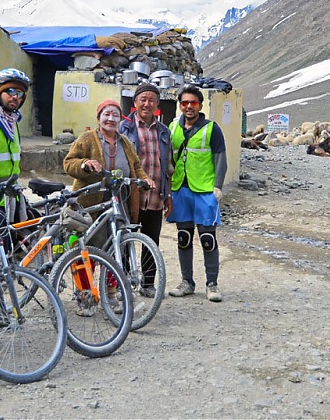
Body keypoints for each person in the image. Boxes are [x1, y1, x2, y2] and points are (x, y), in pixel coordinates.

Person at [63, 99, 155, 313]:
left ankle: (110, 294)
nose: (111, 118)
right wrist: (85, 165)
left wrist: (144, 179)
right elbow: (69, 162)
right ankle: (85, 296)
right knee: (89, 249)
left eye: (115, 115)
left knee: (115, 249)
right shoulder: (87, 139)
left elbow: (136, 167)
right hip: (90, 205)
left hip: (118, 205)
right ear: (99, 117)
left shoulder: (125, 143)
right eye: (107, 114)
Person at [166, 84, 227, 302]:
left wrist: (218, 186)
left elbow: (220, 157)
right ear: (180, 106)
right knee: (183, 237)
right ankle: (187, 282)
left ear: (200, 105)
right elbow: (167, 156)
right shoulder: (172, 127)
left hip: (204, 190)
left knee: (208, 238)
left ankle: (212, 284)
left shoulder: (212, 128)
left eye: (193, 103)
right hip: (180, 188)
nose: (189, 106)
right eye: (185, 103)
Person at [118, 83, 173, 298]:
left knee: (152, 240)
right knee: (125, 239)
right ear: (135, 103)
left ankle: (148, 283)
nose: (147, 104)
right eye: (143, 99)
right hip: (130, 195)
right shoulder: (124, 128)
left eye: (152, 100)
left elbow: (167, 165)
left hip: (156, 195)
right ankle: (123, 282)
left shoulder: (164, 131)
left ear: (157, 104)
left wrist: (168, 195)